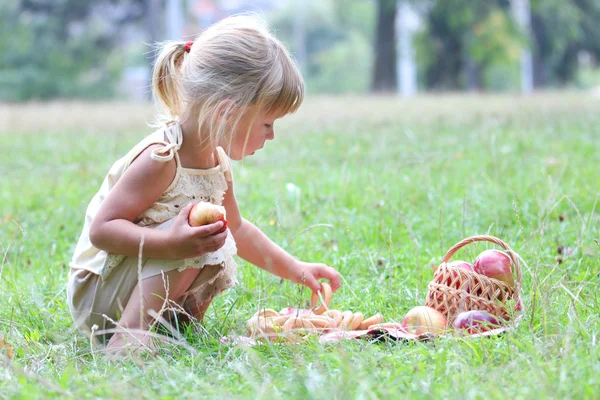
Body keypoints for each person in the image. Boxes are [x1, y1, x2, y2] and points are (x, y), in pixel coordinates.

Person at [67, 14, 341, 354]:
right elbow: (103, 231)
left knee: (216, 234)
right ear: (227, 113)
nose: (272, 136)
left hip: (133, 281)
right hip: (99, 294)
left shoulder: (216, 161)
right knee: (201, 240)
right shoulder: (162, 159)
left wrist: (296, 269)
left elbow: (238, 229)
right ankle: (129, 338)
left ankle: (176, 332)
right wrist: (168, 244)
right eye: (267, 123)